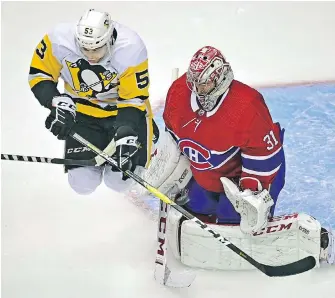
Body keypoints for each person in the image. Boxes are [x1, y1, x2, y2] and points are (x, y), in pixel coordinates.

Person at [146, 45, 334, 270]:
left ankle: (314, 240)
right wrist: (168, 163)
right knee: (190, 207)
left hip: (248, 177)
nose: (198, 89)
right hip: (207, 174)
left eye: (204, 83)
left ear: (221, 78)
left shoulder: (247, 106)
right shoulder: (178, 92)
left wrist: (251, 194)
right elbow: (174, 136)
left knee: (235, 220)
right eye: (194, 82)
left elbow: (264, 157)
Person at [28, 9, 158, 195]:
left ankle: (153, 144)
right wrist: (55, 101)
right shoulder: (57, 40)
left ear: (110, 40)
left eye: (96, 49)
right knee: (82, 185)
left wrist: (126, 130)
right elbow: (39, 74)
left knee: (119, 182)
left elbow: (133, 99)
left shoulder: (130, 48)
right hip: (83, 112)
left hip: (122, 113)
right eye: (84, 48)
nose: (90, 55)